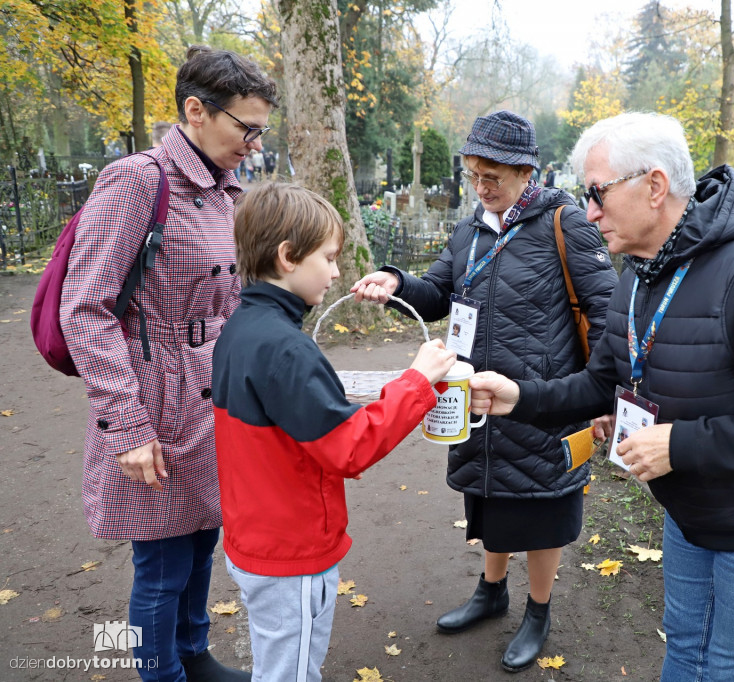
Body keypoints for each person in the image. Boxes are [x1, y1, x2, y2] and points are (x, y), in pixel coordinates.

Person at [467, 112, 734, 681]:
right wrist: (516, 396)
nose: (588, 211)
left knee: (729, 669)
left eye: (597, 193)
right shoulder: (639, 273)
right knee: (685, 651)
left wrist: (680, 445)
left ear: (655, 185)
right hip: (688, 513)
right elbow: (600, 383)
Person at [350, 110, 618, 672]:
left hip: (544, 400)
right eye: (473, 173)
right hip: (476, 399)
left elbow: (608, 314)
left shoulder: (566, 223)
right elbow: (440, 291)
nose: (481, 185)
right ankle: (491, 591)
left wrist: (603, 398)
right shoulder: (471, 229)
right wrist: (397, 283)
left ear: (527, 172)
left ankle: (538, 610)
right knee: (493, 499)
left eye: (492, 174)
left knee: (543, 509)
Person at [59, 45, 277, 682]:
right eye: (247, 128)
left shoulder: (228, 191)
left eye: (261, 131)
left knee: (204, 538)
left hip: (214, 399)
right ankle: (164, 675)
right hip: (150, 405)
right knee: (160, 565)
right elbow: (86, 309)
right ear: (195, 111)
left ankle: (193, 655)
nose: (255, 144)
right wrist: (126, 425)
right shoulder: (136, 180)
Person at [212, 182, 455, 682]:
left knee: (277, 662)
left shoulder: (241, 328)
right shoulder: (287, 348)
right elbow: (350, 448)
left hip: (256, 533)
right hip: (291, 550)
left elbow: (294, 431)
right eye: (328, 257)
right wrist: (416, 381)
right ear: (287, 257)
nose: (338, 270)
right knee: (291, 673)